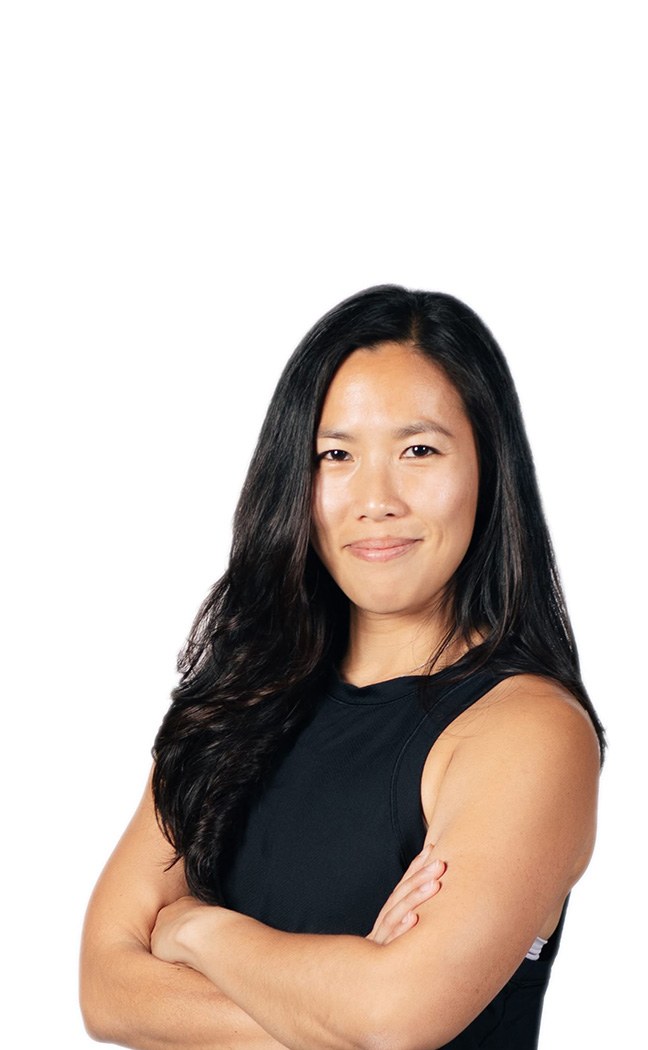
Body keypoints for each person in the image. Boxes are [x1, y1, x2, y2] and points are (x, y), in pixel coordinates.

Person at [79, 285, 604, 1049]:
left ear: (489, 468)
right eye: (336, 455)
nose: (375, 499)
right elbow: (106, 990)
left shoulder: (528, 732)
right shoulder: (234, 703)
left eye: (418, 450)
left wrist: (195, 930)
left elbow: (392, 1018)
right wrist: (340, 996)